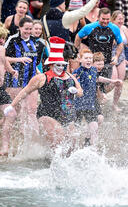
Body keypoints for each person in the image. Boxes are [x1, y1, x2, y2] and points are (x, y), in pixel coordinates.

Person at [3, 37, 83, 155]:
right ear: (51, 64)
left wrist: (76, 91)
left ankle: (63, 164)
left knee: (73, 142)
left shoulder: (70, 77)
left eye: (63, 65)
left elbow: (81, 92)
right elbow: (25, 91)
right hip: (47, 114)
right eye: (58, 65)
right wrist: (12, 105)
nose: (61, 68)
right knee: (59, 138)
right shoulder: (41, 78)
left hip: (67, 114)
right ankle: (52, 162)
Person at [73, 49, 122, 146]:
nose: (88, 60)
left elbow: (98, 79)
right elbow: (71, 81)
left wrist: (112, 81)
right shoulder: (78, 72)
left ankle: (92, 149)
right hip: (78, 105)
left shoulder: (94, 70)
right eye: (86, 58)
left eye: (90, 58)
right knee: (75, 130)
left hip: (90, 104)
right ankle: (71, 149)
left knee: (95, 126)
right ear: (80, 60)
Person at [75, 8, 124, 81]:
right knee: (92, 84)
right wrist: (77, 51)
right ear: (98, 17)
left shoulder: (114, 28)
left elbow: (120, 43)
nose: (105, 21)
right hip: (92, 62)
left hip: (107, 62)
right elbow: (78, 37)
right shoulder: (90, 27)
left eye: (107, 19)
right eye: (103, 19)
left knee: (106, 84)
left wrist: (116, 56)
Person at [0, 25, 18, 156]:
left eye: (3, 38)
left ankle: (4, 147)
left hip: (1, 89)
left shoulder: (1, 49)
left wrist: (11, 71)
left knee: (11, 113)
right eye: (0, 38)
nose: (2, 40)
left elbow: (4, 61)